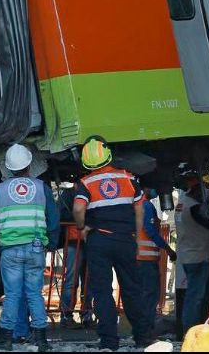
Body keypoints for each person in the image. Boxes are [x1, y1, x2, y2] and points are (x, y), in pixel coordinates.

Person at [73, 137, 152, 351]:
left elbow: (79, 209)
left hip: (99, 240)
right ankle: (142, 337)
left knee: (102, 291)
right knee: (132, 289)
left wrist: (82, 228)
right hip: (125, 239)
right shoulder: (127, 178)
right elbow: (139, 210)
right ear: (108, 154)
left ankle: (109, 341)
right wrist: (134, 234)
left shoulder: (86, 183)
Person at [0, 143, 59, 351]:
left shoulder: (0, 191)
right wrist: (52, 244)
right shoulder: (41, 188)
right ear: (29, 164)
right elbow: (53, 219)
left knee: (13, 295)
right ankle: (42, 341)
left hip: (10, 249)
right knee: (34, 294)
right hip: (36, 248)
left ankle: (5, 340)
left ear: (8, 168)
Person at [175, 171, 209, 337]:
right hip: (197, 256)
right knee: (195, 297)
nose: (206, 194)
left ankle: (195, 328)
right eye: (204, 190)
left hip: (190, 254)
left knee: (200, 295)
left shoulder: (182, 203)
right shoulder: (193, 207)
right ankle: (190, 332)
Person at [137, 188, 177, 334]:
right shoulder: (146, 205)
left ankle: (143, 326)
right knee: (150, 293)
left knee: (143, 293)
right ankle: (147, 327)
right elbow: (150, 230)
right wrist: (167, 248)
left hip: (139, 257)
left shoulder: (135, 204)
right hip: (146, 258)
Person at [57, 184, 93, 329]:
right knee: (72, 279)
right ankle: (66, 314)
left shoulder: (90, 190)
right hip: (73, 241)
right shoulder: (68, 194)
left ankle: (86, 314)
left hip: (89, 240)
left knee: (88, 280)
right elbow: (61, 213)